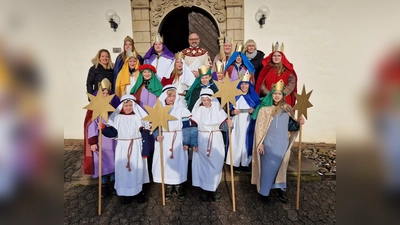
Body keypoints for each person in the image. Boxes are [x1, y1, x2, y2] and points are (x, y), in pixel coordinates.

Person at [251, 79, 304, 205]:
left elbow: (292, 126)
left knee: (282, 167)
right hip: (268, 144)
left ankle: (280, 190)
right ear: (271, 94)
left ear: (283, 96)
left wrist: (299, 123)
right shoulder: (265, 110)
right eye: (275, 93)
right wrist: (260, 143)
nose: (277, 96)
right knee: (268, 169)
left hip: (282, 144)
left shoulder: (288, 109)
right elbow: (259, 128)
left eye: (279, 94)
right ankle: (264, 193)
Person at [101, 94, 150, 204]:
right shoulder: (117, 118)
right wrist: (103, 129)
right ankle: (127, 194)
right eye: (126, 105)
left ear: (134, 106)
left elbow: (145, 134)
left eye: (130, 105)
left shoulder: (139, 117)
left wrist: (145, 150)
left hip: (137, 147)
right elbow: (113, 133)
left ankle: (139, 192)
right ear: (122, 106)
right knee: (125, 172)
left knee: (137, 169)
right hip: (123, 148)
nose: (128, 107)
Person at [191, 88, 231, 202]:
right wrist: (194, 142)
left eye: (208, 100)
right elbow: (194, 127)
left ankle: (214, 188)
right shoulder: (198, 111)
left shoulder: (218, 110)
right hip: (202, 139)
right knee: (202, 165)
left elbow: (223, 126)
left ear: (212, 99)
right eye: (203, 100)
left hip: (215, 138)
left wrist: (228, 123)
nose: (206, 102)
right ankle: (204, 189)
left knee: (216, 163)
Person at [152, 85, 191, 201]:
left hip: (177, 138)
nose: (172, 98)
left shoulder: (181, 110)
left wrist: (186, 141)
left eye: (174, 96)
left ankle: (178, 186)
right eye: (169, 96)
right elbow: (154, 126)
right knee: (165, 163)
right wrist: (156, 136)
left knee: (178, 162)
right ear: (165, 97)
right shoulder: (158, 110)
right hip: (164, 138)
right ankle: (168, 186)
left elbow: (186, 127)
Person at [83, 78, 120, 178]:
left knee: (113, 161)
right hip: (100, 143)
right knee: (101, 163)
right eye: (103, 93)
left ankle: (112, 181)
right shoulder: (94, 110)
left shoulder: (114, 109)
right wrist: (93, 142)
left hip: (112, 142)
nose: (105, 95)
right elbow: (91, 126)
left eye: (107, 93)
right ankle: (103, 184)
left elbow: (118, 123)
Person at [226, 71, 260, 174]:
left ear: (249, 85)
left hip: (248, 123)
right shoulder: (234, 96)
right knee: (236, 141)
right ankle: (236, 163)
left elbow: (259, 110)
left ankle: (246, 163)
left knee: (246, 142)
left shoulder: (254, 97)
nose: (244, 86)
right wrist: (232, 112)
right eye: (242, 83)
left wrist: (254, 111)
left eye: (246, 84)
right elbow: (227, 110)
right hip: (237, 123)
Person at [255, 42, 298, 107]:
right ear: (271, 57)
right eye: (274, 56)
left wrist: (281, 94)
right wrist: (270, 94)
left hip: (284, 99)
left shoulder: (288, 70)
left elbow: (291, 84)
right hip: (269, 98)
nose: (276, 58)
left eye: (279, 56)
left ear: (282, 57)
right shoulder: (266, 69)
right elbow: (261, 84)